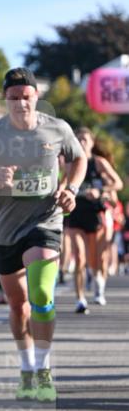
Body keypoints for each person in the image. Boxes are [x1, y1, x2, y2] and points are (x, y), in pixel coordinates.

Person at [0, 67, 86, 402]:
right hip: (4, 230)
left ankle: (44, 369)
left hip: (45, 221)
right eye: (14, 98)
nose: (21, 104)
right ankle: (27, 368)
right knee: (18, 307)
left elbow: (79, 158)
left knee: (41, 296)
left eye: (26, 97)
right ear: (6, 100)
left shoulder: (57, 129)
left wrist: (71, 189)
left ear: (36, 97)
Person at [64, 128, 124, 311]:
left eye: (85, 140)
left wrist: (101, 191)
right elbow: (59, 181)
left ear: (92, 142)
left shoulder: (99, 163)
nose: (81, 143)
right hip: (75, 213)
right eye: (78, 139)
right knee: (80, 256)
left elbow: (118, 183)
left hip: (95, 213)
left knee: (98, 259)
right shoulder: (69, 163)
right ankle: (80, 299)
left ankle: (99, 287)